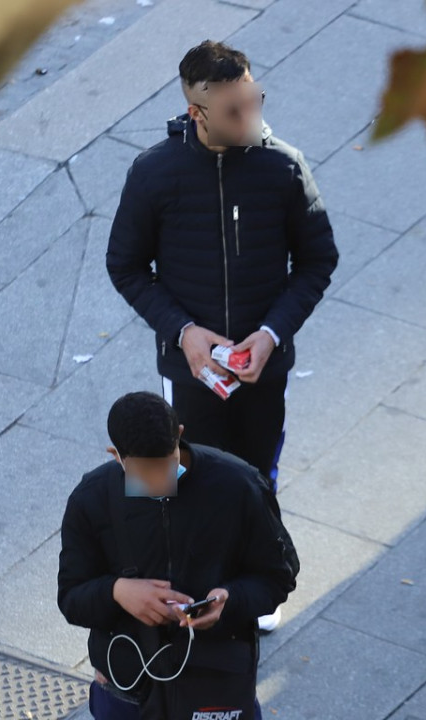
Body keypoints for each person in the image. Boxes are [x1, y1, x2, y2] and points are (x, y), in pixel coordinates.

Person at [107, 40, 335, 628]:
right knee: (180, 479)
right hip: (188, 372)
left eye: (253, 101)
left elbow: (316, 262)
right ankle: (187, 585)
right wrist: (182, 331)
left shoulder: (283, 166)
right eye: (234, 110)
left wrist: (271, 334)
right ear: (196, 115)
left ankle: (257, 589)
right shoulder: (154, 173)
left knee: (256, 476)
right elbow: (126, 266)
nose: (250, 118)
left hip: (263, 370)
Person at [57, 391, 299, 719]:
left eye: (166, 465)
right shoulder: (92, 499)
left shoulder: (238, 486)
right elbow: (71, 597)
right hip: (128, 686)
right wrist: (117, 592)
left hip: (215, 683)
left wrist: (230, 600)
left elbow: (278, 576)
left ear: (180, 435)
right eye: (144, 472)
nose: (159, 482)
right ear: (116, 456)